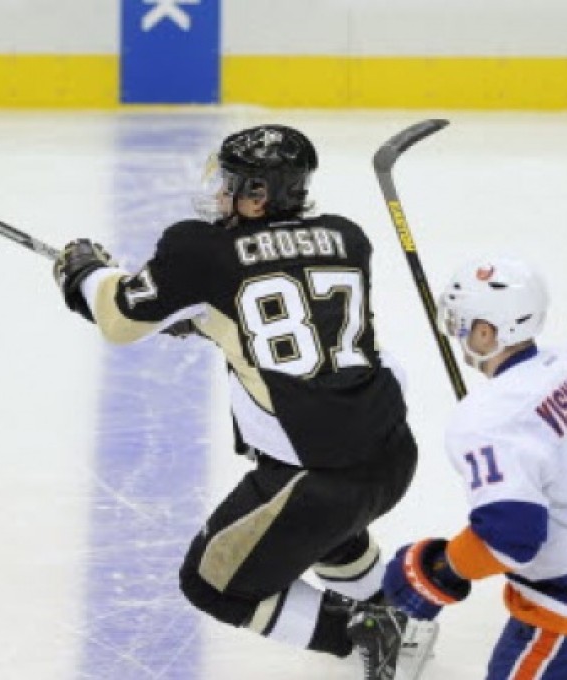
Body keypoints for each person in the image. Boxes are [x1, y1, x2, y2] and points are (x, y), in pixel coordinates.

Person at [54, 124, 435, 679]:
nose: (220, 193)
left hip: (312, 478)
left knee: (210, 582)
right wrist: (206, 318)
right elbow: (289, 312)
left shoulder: (200, 251)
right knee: (330, 534)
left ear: (260, 195)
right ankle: (396, 614)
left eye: (232, 183)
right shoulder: (348, 237)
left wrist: (85, 273)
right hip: (392, 454)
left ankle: (365, 633)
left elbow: (118, 318)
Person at [382, 256, 567, 678]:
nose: (456, 332)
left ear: (486, 333)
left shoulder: (488, 420)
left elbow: (510, 537)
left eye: (462, 323)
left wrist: (441, 570)